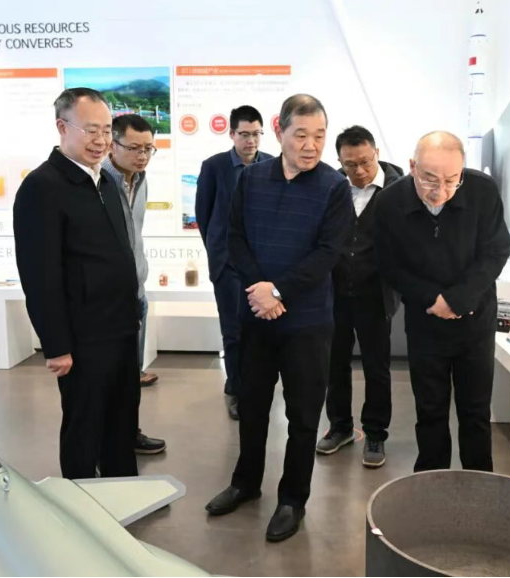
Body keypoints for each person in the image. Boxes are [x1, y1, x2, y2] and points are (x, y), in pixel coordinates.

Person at [205, 94, 351, 542]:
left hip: (307, 323)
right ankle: (245, 483)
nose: (311, 145)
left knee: (303, 416)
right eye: (301, 135)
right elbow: (234, 237)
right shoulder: (251, 179)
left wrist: (279, 291)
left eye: (319, 136)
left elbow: (329, 252)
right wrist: (260, 290)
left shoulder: (333, 186)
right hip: (256, 317)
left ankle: (292, 499)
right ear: (279, 131)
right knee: (251, 406)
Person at [13, 88, 141, 479]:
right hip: (82, 338)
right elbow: (39, 275)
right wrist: (56, 345)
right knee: (84, 427)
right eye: (91, 130)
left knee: (122, 423)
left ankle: (122, 493)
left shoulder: (106, 182)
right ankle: (79, 500)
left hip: (120, 328)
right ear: (62, 127)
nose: (101, 140)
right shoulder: (42, 187)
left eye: (106, 130)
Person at [374, 131, 510, 473]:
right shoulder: (390, 202)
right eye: (430, 180)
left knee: (475, 412)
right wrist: (432, 298)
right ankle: (431, 485)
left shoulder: (482, 191)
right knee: (430, 411)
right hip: (425, 322)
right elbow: (389, 264)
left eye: (452, 180)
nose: (441, 191)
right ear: (412, 166)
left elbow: (495, 252)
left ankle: (479, 485)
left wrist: (457, 299)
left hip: (475, 321)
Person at [315, 126, 402, 468]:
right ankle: (340, 427)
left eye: (365, 161)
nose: (359, 170)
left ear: (376, 153)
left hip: (375, 294)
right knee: (334, 364)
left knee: (376, 367)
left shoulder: (398, 190)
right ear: (340, 161)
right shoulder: (333, 187)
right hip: (335, 292)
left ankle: (376, 433)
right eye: (350, 164)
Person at [196, 105, 274, 421]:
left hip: (262, 266)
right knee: (233, 331)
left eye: (256, 134)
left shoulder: (272, 164)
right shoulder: (214, 166)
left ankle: (253, 383)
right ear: (231, 134)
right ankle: (239, 391)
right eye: (244, 134)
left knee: (259, 331)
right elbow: (204, 215)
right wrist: (218, 254)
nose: (250, 140)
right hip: (227, 265)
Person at [102, 113, 166, 455]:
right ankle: (104, 443)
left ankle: (129, 433)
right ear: (113, 145)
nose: (142, 156)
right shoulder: (98, 182)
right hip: (107, 299)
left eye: (148, 148)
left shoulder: (140, 180)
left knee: (131, 374)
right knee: (106, 377)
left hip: (135, 292)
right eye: (134, 148)